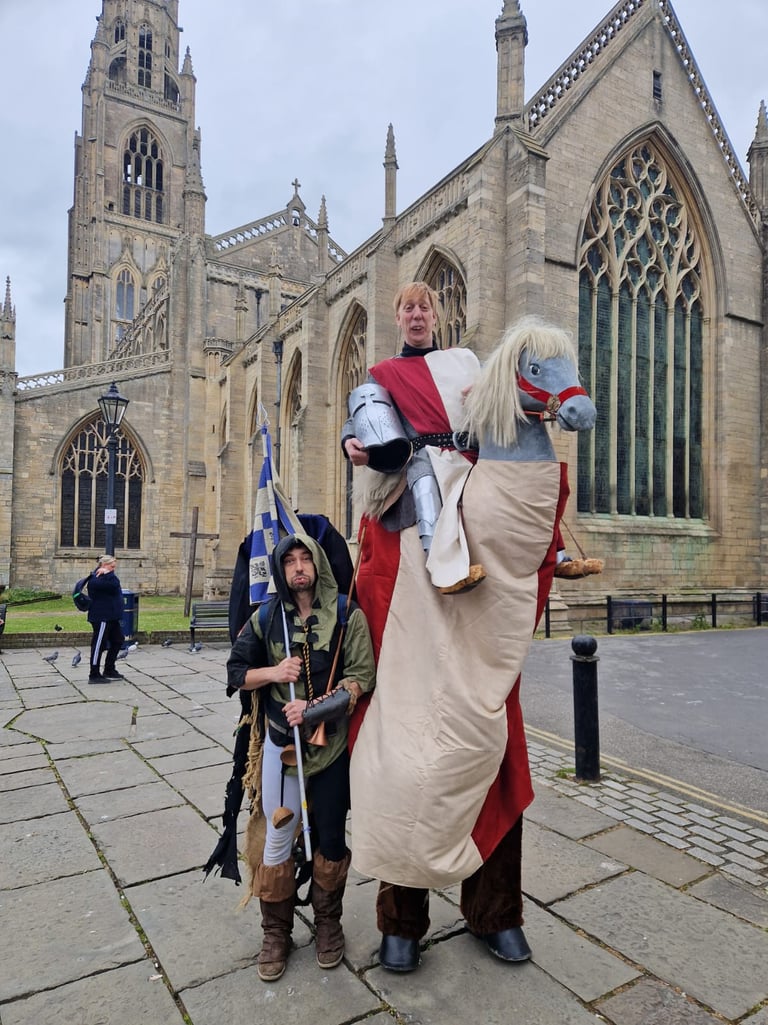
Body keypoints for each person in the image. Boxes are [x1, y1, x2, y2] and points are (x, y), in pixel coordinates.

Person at [342, 282, 567, 972]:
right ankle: (400, 919)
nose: (414, 313)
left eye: (424, 306)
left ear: (437, 315)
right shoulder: (379, 379)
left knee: (491, 741)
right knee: (403, 749)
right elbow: (381, 449)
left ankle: (494, 910)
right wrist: (368, 450)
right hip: (404, 547)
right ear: (396, 316)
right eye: (404, 305)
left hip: (482, 549)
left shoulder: (471, 369)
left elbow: (511, 430)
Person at [226, 532, 375, 982]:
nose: (297, 568)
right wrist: (275, 672)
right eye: (288, 561)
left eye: (303, 558)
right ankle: (276, 933)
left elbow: (361, 677)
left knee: (329, 839)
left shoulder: (347, 615)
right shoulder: (267, 618)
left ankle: (328, 925)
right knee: (277, 836)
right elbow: (235, 672)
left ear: (317, 564)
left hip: (329, 751)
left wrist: (312, 710)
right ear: (280, 569)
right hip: (280, 747)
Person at [87, 555, 125, 683]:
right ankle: (94, 674)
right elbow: (114, 584)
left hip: (112, 617)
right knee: (99, 645)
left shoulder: (107, 576)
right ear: (103, 565)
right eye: (111, 566)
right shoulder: (96, 578)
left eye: (114, 567)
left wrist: (108, 573)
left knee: (118, 640)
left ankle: (109, 668)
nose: (113, 569)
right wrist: (108, 573)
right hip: (101, 617)